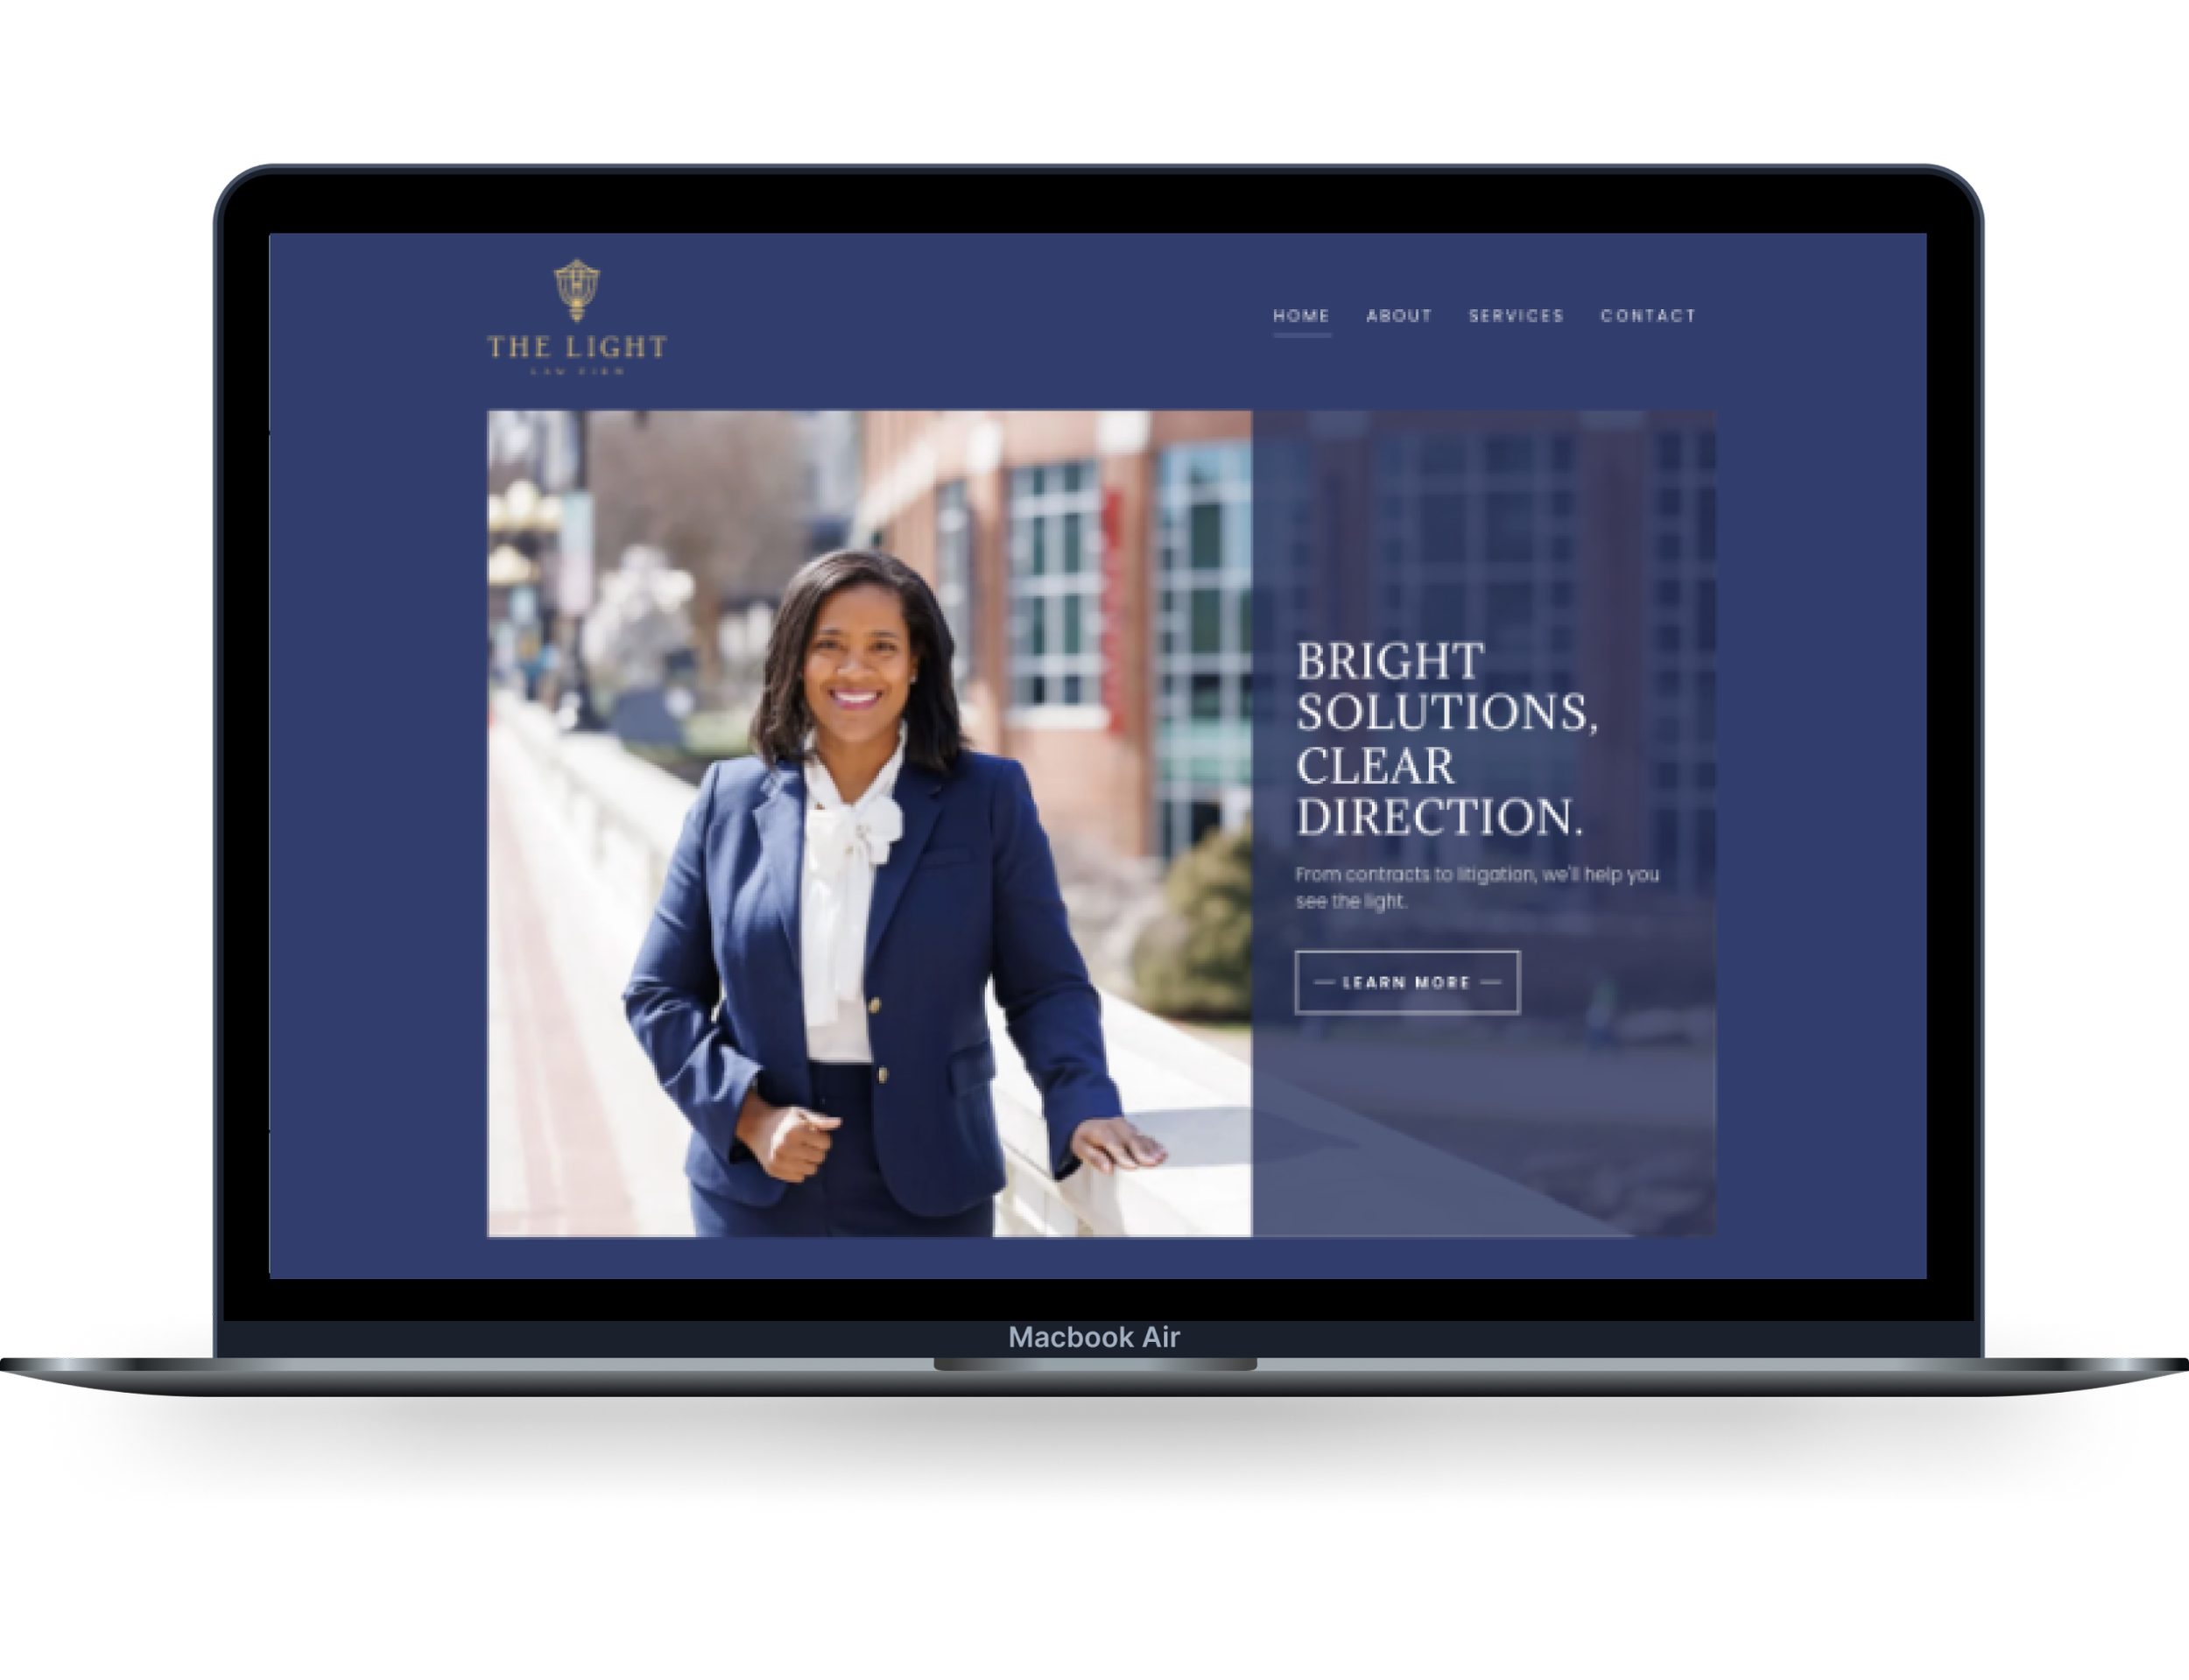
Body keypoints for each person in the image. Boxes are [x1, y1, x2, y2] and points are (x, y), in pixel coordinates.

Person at [623, 548, 1165, 1238]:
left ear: (916, 663)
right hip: (755, 1185)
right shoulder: (728, 801)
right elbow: (658, 993)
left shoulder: (989, 799)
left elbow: (1045, 984)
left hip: (931, 1189)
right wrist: (749, 1116)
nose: (855, 669)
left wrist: (1083, 1100)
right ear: (796, 660)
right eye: (830, 646)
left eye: (882, 646)